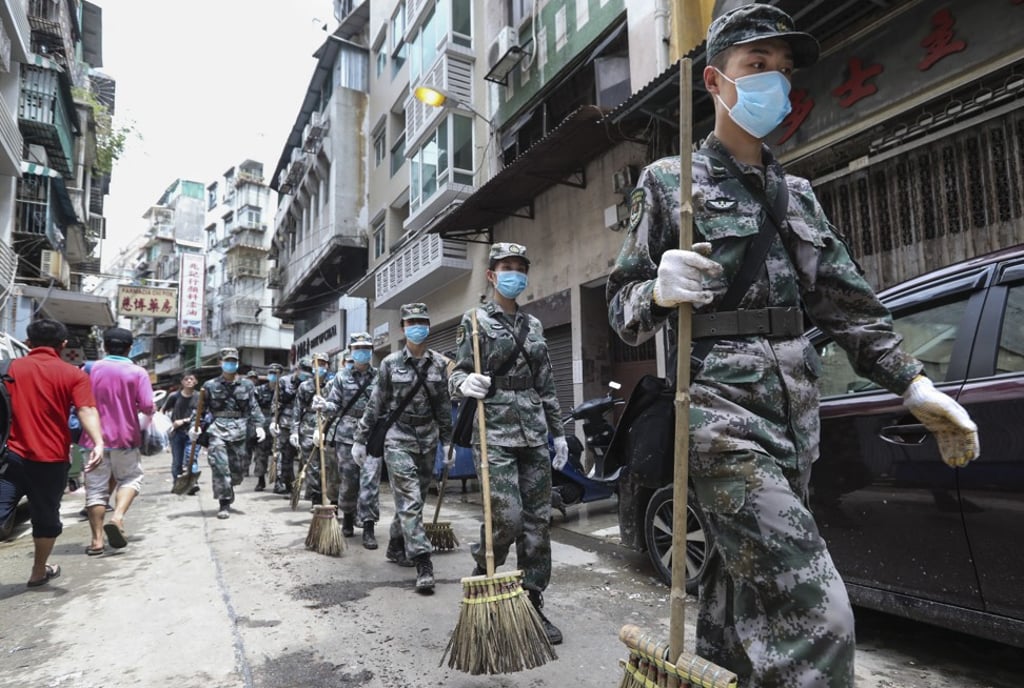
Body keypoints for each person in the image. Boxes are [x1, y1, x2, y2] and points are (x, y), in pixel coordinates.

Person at [606, 5, 980, 685]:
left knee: (736, 601)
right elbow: (622, 313)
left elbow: (849, 306)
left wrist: (914, 385)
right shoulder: (670, 184)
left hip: (797, 424)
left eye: (782, 70)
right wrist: (654, 290)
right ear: (716, 82)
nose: (774, 83)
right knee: (819, 617)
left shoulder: (798, 196)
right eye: (757, 67)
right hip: (721, 422)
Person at [448, 243, 567, 644]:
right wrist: (463, 383)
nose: (514, 273)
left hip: (533, 431)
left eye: (520, 267)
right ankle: (486, 571)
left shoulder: (533, 327)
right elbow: (456, 370)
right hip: (493, 430)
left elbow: (546, 383)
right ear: (491, 276)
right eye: (506, 267)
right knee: (507, 517)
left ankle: (533, 600)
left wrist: (559, 431)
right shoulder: (474, 320)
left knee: (537, 522)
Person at [354, 303, 452, 593]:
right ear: (403, 328)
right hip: (397, 437)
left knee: (415, 501)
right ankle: (423, 561)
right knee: (409, 500)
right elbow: (376, 404)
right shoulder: (390, 364)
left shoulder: (438, 365)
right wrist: (361, 438)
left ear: (428, 325)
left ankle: (396, 545)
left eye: (423, 321)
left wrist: (448, 442)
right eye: (412, 322)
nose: (418, 326)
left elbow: (444, 407)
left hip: (428, 437)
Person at [0, 319, 104, 587]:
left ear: (29, 341)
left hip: (8, 457)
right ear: (64, 344)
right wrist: (98, 442)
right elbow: (86, 409)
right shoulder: (73, 374)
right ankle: (37, 571)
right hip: (52, 460)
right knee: (46, 517)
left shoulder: (7, 368)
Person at [80, 327, 155, 553]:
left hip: (93, 439)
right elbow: (148, 406)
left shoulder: (89, 369)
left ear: (104, 346)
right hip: (125, 437)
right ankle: (119, 517)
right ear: (130, 348)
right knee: (131, 478)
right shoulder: (137, 372)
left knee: (95, 490)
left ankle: (97, 541)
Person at [314, 332, 380, 549]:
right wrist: (323, 405)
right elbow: (334, 405)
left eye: (366, 348)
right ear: (351, 351)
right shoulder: (341, 377)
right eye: (358, 348)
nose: (362, 352)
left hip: (372, 434)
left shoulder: (380, 376)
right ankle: (349, 517)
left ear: (371, 351)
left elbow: (386, 404)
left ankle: (369, 526)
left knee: (370, 481)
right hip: (346, 436)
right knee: (349, 481)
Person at [190, 348, 265, 519]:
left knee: (237, 470)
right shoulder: (209, 385)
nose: (231, 364)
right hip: (218, 429)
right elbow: (200, 409)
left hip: (241, 429)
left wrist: (260, 425)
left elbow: (253, 407)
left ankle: (229, 488)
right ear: (220, 363)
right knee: (219, 466)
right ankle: (223, 503)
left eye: (234, 361)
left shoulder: (247, 385)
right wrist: (195, 427)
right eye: (227, 361)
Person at [291, 352, 336, 508]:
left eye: (322, 364)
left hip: (329, 427)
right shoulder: (305, 386)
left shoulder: (334, 384)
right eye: (317, 364)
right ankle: (316, 500)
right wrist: (294, 431)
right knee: (313, 467)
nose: (320, 367)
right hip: (308, 429)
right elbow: (297, 410)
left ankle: (333, 499)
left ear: (327, 365)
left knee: (330, 465)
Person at [161, 371, 199, 485]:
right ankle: (178, 483)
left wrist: (183, 421)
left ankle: (192, 483)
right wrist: (166, 424)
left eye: (191, 379)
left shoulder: (200, 396)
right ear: (182, 382)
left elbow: (203, 413)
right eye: (186, 379)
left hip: (193, 432)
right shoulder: (174, 396)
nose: (189, 381)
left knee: (191, 458)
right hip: (177, 433)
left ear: (196, 381)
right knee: (177, 461)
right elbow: (163, 410)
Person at [270, 361, 302, 495]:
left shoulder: (310, 382)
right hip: (285, 422)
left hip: (302, 423)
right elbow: (276, 402)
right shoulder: (284, 381)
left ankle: (300, 484)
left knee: (301, 456)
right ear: (297, 369)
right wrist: (274, 421)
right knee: (285, 454)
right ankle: (284, 482)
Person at [247, 369, 274, 491]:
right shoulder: (260, 390)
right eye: (271, 372)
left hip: (279, 422)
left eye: (276, 373)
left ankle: (280, 481)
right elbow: (253, 407)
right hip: (263, 423)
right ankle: (260, 479)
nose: (274, 375)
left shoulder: (284, 389)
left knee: (280, 455)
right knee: (260, 454)